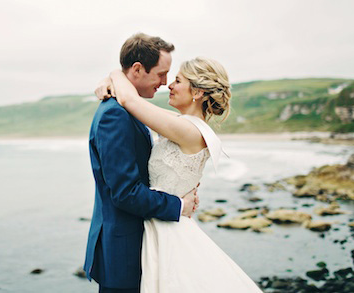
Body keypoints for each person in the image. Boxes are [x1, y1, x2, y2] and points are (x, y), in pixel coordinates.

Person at [100, 56, 263, 292]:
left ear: (196, 92)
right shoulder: (182, 123)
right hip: (161, 221)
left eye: (177, 80)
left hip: (168, 229)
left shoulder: (188, 130)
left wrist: (115, 73)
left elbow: (128, 100)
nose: (170, 85)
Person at [83, 33, 199, 293]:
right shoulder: (115, 115)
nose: (165, 82)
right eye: (161, 73)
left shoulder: (130, 110)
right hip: (122, 253)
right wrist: (179, 205)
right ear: (137, 69)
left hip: (142, 246)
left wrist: (113, 75)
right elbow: (125, 193)